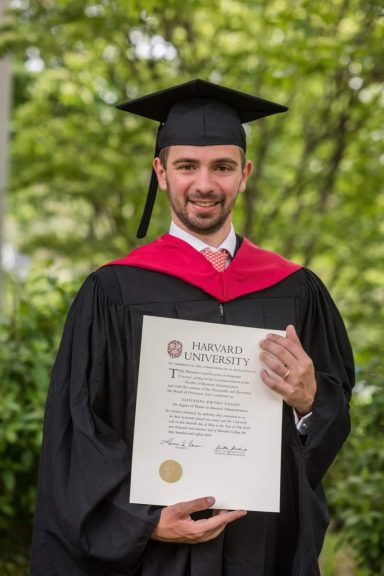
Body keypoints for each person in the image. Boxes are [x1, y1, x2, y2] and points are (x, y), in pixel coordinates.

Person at [31, 79, 354, 576]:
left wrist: (312, 403)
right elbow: (79, 430)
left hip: (261, 546)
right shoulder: (114, 291)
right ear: (161, 172)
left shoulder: (295, 288)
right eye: (187, 166)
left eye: (222, 167)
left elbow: (331, 415)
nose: (205, 184)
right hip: (154, 554)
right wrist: (142, 522)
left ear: (244, 174)